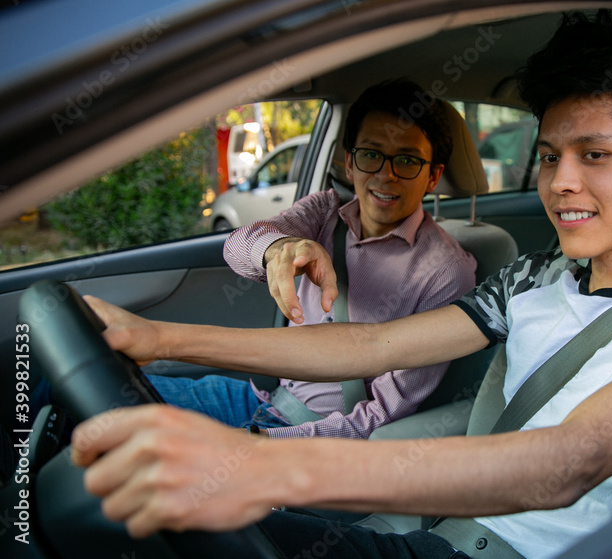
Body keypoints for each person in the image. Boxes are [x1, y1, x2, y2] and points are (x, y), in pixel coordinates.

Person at [73, 11, 612, 559]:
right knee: (132, 527)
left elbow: (571, 460)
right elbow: (370, 345)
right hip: (453, 537)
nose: (562, 183)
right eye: (551, 156)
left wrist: (262, 464)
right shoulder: (536, 274)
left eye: (597, 155)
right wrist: (158, 337)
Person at [146, 79, 477, 438]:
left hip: (311, 435)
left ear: (433, 176)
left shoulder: (446, 272)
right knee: (120, 395)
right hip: (260, 399)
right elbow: (237, 245)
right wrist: (277, 249)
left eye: (408, 160)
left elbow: (379, 419)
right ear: (349, 164)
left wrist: (263, 442)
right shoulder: (325, 211)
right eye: (370, 154)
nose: (386, 174)